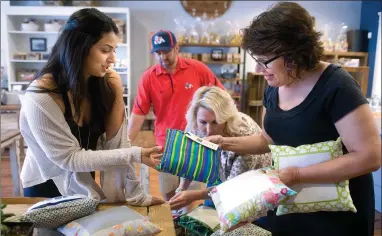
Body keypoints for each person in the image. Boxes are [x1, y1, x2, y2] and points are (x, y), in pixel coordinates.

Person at [206, 2, 381, 236]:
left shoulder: (337, 87)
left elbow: (369, 156)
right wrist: (224, 143)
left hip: (337, 215)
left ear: (295, 53)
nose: (258, 69)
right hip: (290, 203)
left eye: (264, 61)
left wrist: (297, 174)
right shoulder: (274, 86)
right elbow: (269, 138)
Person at [19, 8, 163, 206]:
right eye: (105, 50)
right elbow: (69, 159)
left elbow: (118, 144)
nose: (112, 59)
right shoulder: (42, 96)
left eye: (114, 51)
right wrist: (138, 154)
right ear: (79, 47)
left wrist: (134, 193)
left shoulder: (105, 83)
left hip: (84, 182)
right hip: (47, 185)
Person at [128, 30, 225, 200]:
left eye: (166, 51)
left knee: (192, 194)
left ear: (176, 48)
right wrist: (126, 146)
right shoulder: (148, 78)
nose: (162, 57)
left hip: (196, 142)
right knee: (169, 193)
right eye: (158, 52)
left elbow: (221, 98)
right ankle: (175, 224)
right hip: (165, 143)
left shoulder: (198, 69)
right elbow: (138, 113)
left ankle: (189, 224)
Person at [169, 86, 272, 210]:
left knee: (239, 221)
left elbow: (232, 188)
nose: (208, 130)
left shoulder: (244, 135)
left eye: (215, 122)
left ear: (226, 119)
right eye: (203, 122)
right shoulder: (194, 125)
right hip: (220, 173)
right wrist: (181, 188)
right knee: (211, 213)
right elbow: (191, 161)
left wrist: (194, 196)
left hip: (252, 183)